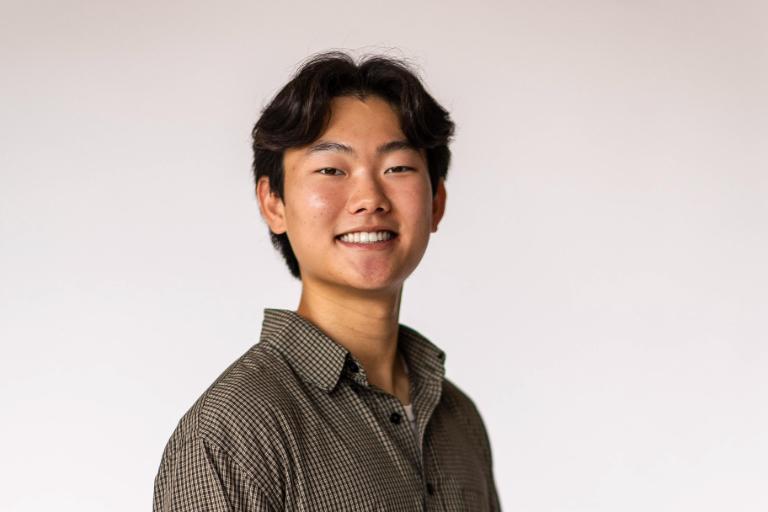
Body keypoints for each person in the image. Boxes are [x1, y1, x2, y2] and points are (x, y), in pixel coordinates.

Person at [153, 50, 501, 511]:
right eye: (332, 170)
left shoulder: (458, 418)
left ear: (436, 201)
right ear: (273, 203)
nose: (369, 198)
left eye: (397, 168)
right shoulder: (233, 431)